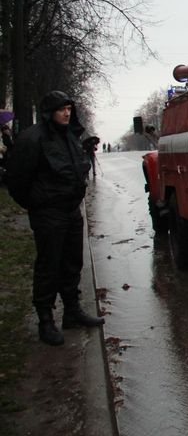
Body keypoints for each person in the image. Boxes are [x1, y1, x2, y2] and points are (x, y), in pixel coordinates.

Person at [5, 91, 103, 346]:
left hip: (71, 211)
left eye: (69, 108)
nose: (67, 113)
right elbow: (17, 178)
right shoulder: (33, 138)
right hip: (48, 213)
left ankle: (72, 311)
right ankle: (45, 320)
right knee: (49, 266)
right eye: (62, 109)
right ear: (50, 112)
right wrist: (37, 204)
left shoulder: (70, 135)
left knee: (72, 262)